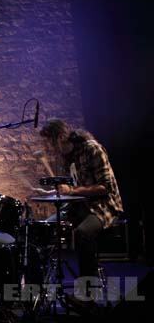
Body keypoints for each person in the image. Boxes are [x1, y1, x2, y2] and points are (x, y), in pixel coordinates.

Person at [38, 118, 124, 278]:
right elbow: (74, 189)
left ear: (62, 136)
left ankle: (87, 294)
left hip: (104, 206)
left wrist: (71, 190)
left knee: (82, 233)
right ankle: (36, 290)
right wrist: (54, 193)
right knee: (40, 229)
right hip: (80, 205)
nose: (47, 147)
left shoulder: (93, 149)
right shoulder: (67, 157)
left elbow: (105, 187)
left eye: (49, 141)